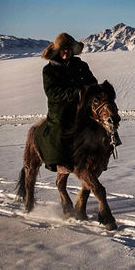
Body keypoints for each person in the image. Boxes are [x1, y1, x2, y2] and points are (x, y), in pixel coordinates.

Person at [34, 32, 98, 171]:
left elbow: (92, 81)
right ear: (58, 51)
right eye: (64, 49)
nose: (67, 52)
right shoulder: (49, 70)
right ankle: (57, 160)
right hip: (60, 109)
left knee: (103, 120)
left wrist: (93, 89)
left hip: (82, 106)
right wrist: (77, 92)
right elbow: (53, 93)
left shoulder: (81, 66)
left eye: (69, 49)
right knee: (59, 128)